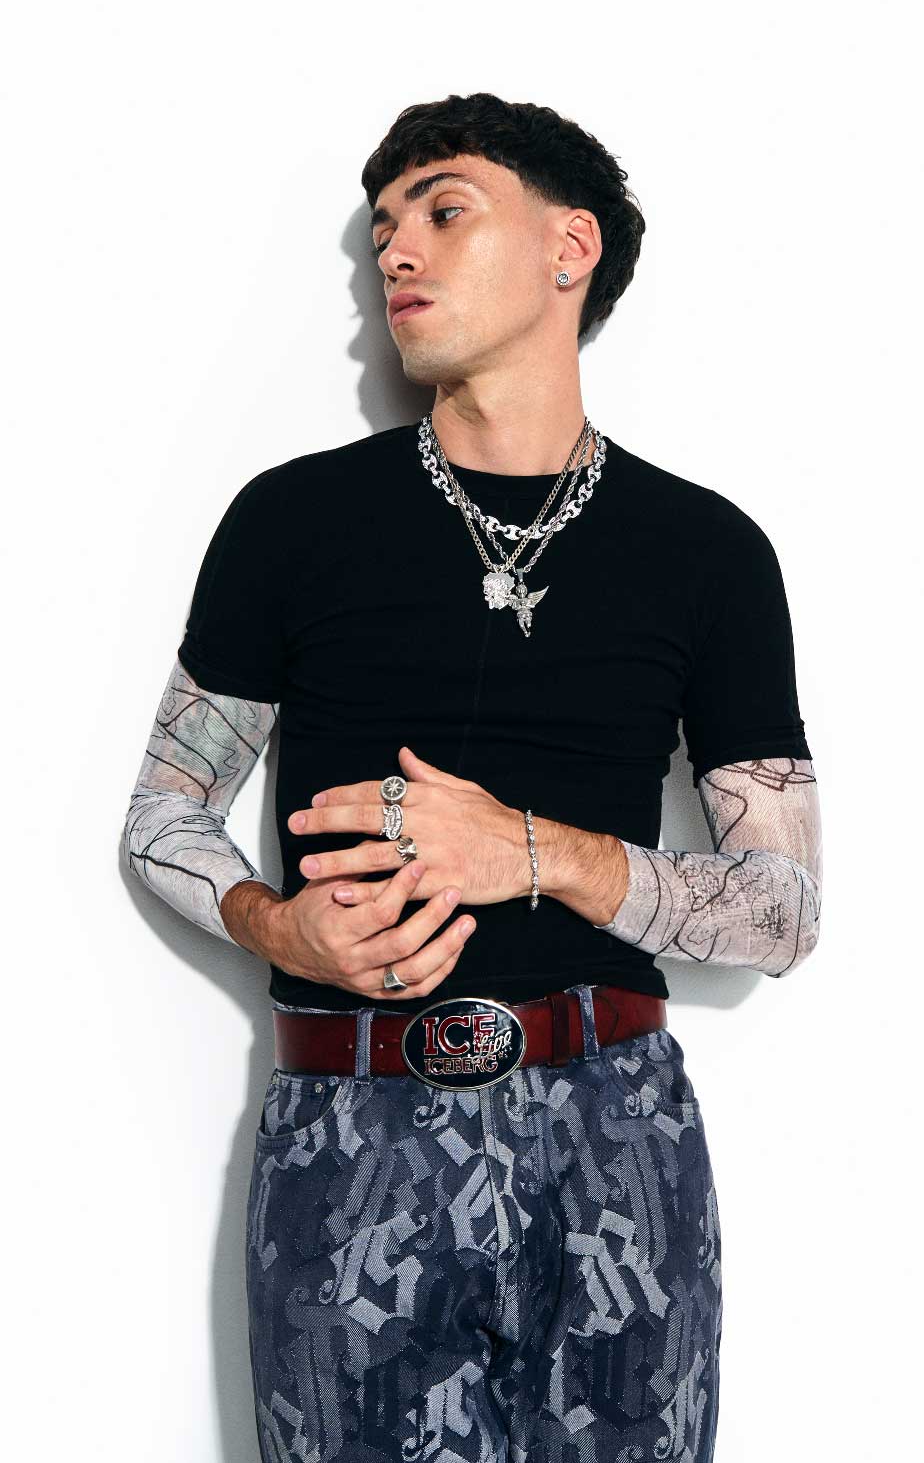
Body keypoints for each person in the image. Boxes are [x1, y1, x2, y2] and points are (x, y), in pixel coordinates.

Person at [121, 91, 822, 1463]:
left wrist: (533, 850)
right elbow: (164, 811)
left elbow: (784, 912)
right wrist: (278, 926)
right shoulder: (292, 521)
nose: (397, 250)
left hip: (614, 1128)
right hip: (351, 1121)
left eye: (444, 211)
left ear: (570, 248)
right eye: (382, 227)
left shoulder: (708, 551)